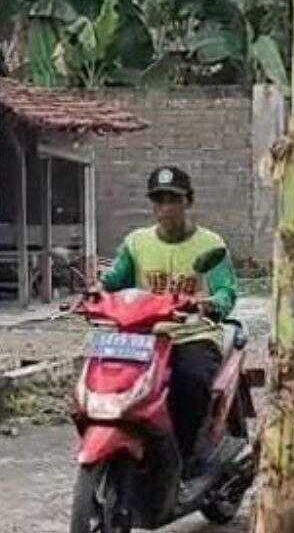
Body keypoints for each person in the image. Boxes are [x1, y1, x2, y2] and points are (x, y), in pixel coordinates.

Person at [100, 166, 238, 473]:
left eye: (173, 200)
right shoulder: (137, 243)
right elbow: (115, 279)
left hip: (193, 335)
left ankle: (188, 456)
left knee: (188, 383)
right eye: (159, 200)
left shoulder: (210, 245)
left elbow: (225, 291)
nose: (165, 208)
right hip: (145, 337)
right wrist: (97, 290)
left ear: (188, 202)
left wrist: (213, 304)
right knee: (112, 380)